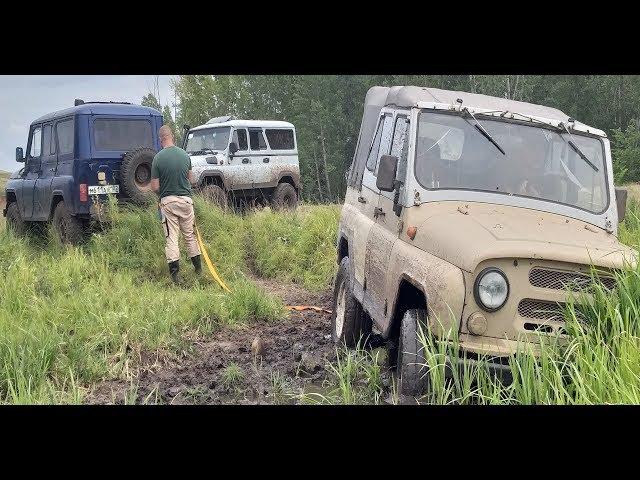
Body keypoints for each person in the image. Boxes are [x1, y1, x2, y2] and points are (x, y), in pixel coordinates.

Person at [151, 125, 201, 283]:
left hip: (168, 203)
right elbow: (192, 180)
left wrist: (163, 195)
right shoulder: (185, 155)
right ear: (172, 136)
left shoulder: (158, 158)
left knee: (171, 238)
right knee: (190, 236)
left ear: (161, 140)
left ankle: (175, 276)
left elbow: (154, 187)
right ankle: (198, 270)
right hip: (186, 202)